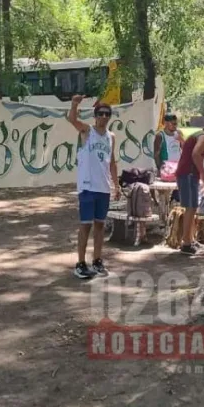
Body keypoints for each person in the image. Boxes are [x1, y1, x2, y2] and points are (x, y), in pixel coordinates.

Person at [68, 95, 120, 279]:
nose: (104, 117)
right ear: (95, 116)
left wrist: (117, 185)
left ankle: (97, 260)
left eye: (108, 114)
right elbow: (72, 119)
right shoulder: (87, 131)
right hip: (88, 187)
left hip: (104, 187)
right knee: (85, 226)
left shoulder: (111, 136)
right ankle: (80, 263)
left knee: (100, 226)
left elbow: (112, 162)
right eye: (101, 114)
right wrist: (74, 104)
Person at [175, 123, 204, 256]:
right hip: (188, 174)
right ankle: (186, 244)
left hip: (188, 174)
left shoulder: (196, 135)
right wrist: (203, 173)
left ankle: (190, 239)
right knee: (190, 207)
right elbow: (195, 154)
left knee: (193, 207)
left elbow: (187, 149)